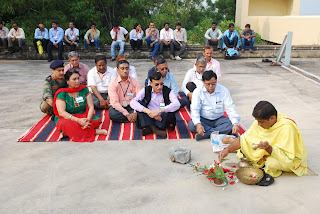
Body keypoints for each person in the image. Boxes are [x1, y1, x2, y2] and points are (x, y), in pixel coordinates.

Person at [218, 101, 307, 181]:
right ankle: (259, 157)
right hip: (265, 151)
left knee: (271, 164)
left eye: (261, 122)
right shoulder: (259, 122)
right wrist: (228, 150)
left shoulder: (287, 128)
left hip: (283, 157)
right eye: (257, 121)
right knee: (244, 148)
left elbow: (287, 157)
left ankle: (263, 160)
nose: (258, 124)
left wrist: (268, 148)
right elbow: (244, 139)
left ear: (272, 118)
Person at [54, 69, 107, 142]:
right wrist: (78, 120)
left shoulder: (84, 90)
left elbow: (91, 106)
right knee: (64, 124)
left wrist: (88, 118)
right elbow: (61, 113)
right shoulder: (62, 93)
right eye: (74, 79)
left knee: (96, 120)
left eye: (78, 78)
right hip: (69, 118)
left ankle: (69, 132)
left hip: (83, 116)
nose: (77, 81)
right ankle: (94, 132)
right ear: (67, 81)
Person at [188, 70, 240, 141]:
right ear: (203, 82)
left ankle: (207, 134)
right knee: (191, 125)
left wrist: (235, 123)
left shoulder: (223, 90)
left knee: (230, 125)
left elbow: (230, 107)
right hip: (203, 119)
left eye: (213, 84)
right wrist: (198, 124)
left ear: (216, 81)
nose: (210, 87)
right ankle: (216, 133)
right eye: (208, 84)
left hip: (218, 119)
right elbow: (195, 109)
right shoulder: (197, 91)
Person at [130, 71, 180, 138]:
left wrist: (159, 111)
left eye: (161, 84)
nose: (159, 87)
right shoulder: (146, 90)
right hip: (149, 115)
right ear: (151, 83)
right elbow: (133, 102)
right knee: (140, 104)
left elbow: (177, 104)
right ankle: (155, 129)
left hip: (162, 116)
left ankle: (151, 128)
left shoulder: (168, 90)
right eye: (156, 84)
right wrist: (149, 112)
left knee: (169, 109)